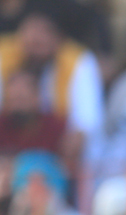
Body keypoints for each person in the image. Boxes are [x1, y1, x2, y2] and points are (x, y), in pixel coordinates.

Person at [0, 8, 105, 146]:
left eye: (44, 33)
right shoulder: (4, 54)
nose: (35, 39)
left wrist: (75, 140)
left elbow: (87, 121)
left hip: (58, 145)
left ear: (59, 38)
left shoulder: (78, 61)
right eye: (30, 30)